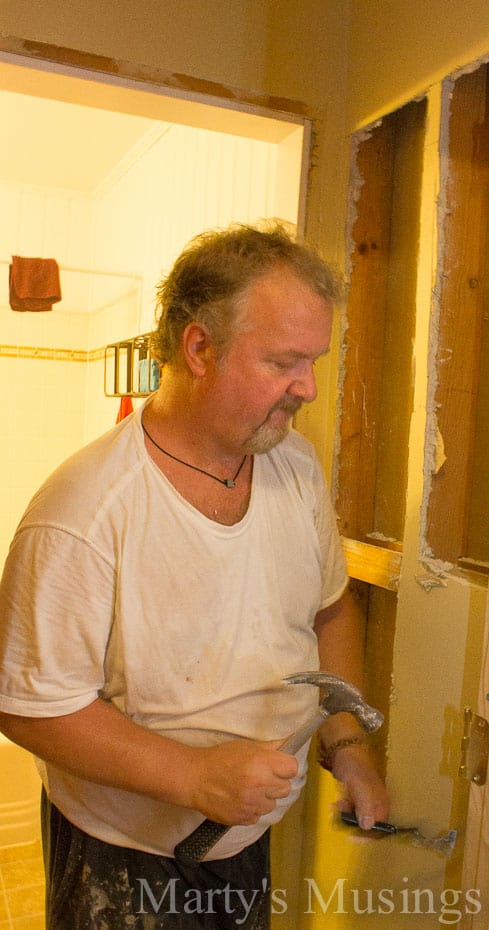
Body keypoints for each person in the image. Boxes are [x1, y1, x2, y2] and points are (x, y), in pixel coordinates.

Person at [0, 223, 389, 929]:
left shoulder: (293, 466)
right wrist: (194, 777)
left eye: (314, 361)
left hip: (244, 834)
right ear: (199, 347)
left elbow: (329, 610)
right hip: (121, 852)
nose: (307, 387)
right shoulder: (82, 513)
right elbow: (29, 705)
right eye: (283, 362)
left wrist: (348, 744)